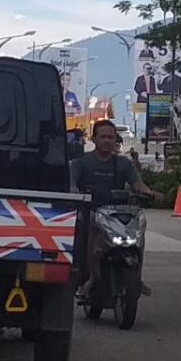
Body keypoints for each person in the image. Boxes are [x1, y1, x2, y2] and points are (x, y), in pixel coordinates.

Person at [70, 120, 157, 294]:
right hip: (91, 211)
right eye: (103, 137)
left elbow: (137, 184)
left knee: (138, 235)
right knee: (90, 236)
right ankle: (89, 279)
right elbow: (71, 186)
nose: (107, 141)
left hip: (119, 214)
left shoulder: (123, 163)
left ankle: (136, 278)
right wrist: (75, 196)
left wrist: (149, 192)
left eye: (111, 137)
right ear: (94, 139)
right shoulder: (81, 163)